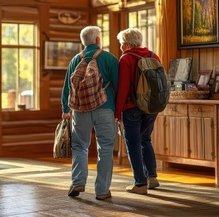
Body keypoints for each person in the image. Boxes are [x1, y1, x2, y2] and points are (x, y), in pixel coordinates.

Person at [61, 26, 119, 200]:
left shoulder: (74, 60)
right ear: (98, 40)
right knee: (106, 148)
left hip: (80, 110)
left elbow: (67, 89)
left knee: (79, 146)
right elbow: (118, 85)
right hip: (105, 107)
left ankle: (78, 181)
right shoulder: (109, 59)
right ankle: (102, 191)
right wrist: (119, 109)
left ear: (83, 42)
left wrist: (66, 110)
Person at [115, 27, 161, 195]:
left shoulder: (126, 58)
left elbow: (124, 88)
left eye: (121, 43)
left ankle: (140, 183)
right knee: (145, 139)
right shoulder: (153, 56)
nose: (120, 47)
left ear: (126, 44)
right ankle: (152, 177)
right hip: (152, 106)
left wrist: (117, 112)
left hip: (132, 107)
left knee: (133, 143)